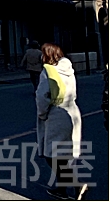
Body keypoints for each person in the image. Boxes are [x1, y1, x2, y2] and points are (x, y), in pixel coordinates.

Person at [35, 43, 87, 201]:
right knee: (64, 154)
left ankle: (76, 184)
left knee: (52, 155)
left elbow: (42, 96)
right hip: (72, 110)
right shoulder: (68, 69)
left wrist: (42, 114)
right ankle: (61, 189)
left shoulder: (48, 71)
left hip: (57, 114)